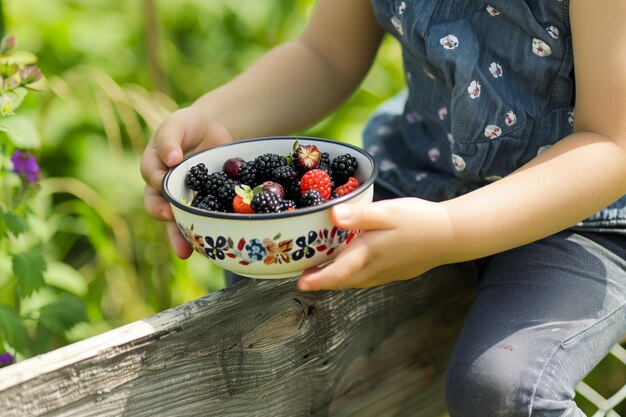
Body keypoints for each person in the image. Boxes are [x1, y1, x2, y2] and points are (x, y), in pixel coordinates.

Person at [140, 1, 626, 415]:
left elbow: (611, 141)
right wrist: (218, 121)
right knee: (269, 286)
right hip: (424, 172)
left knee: (504, 386)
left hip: (580, 208)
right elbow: (325, 53)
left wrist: (452, 229)